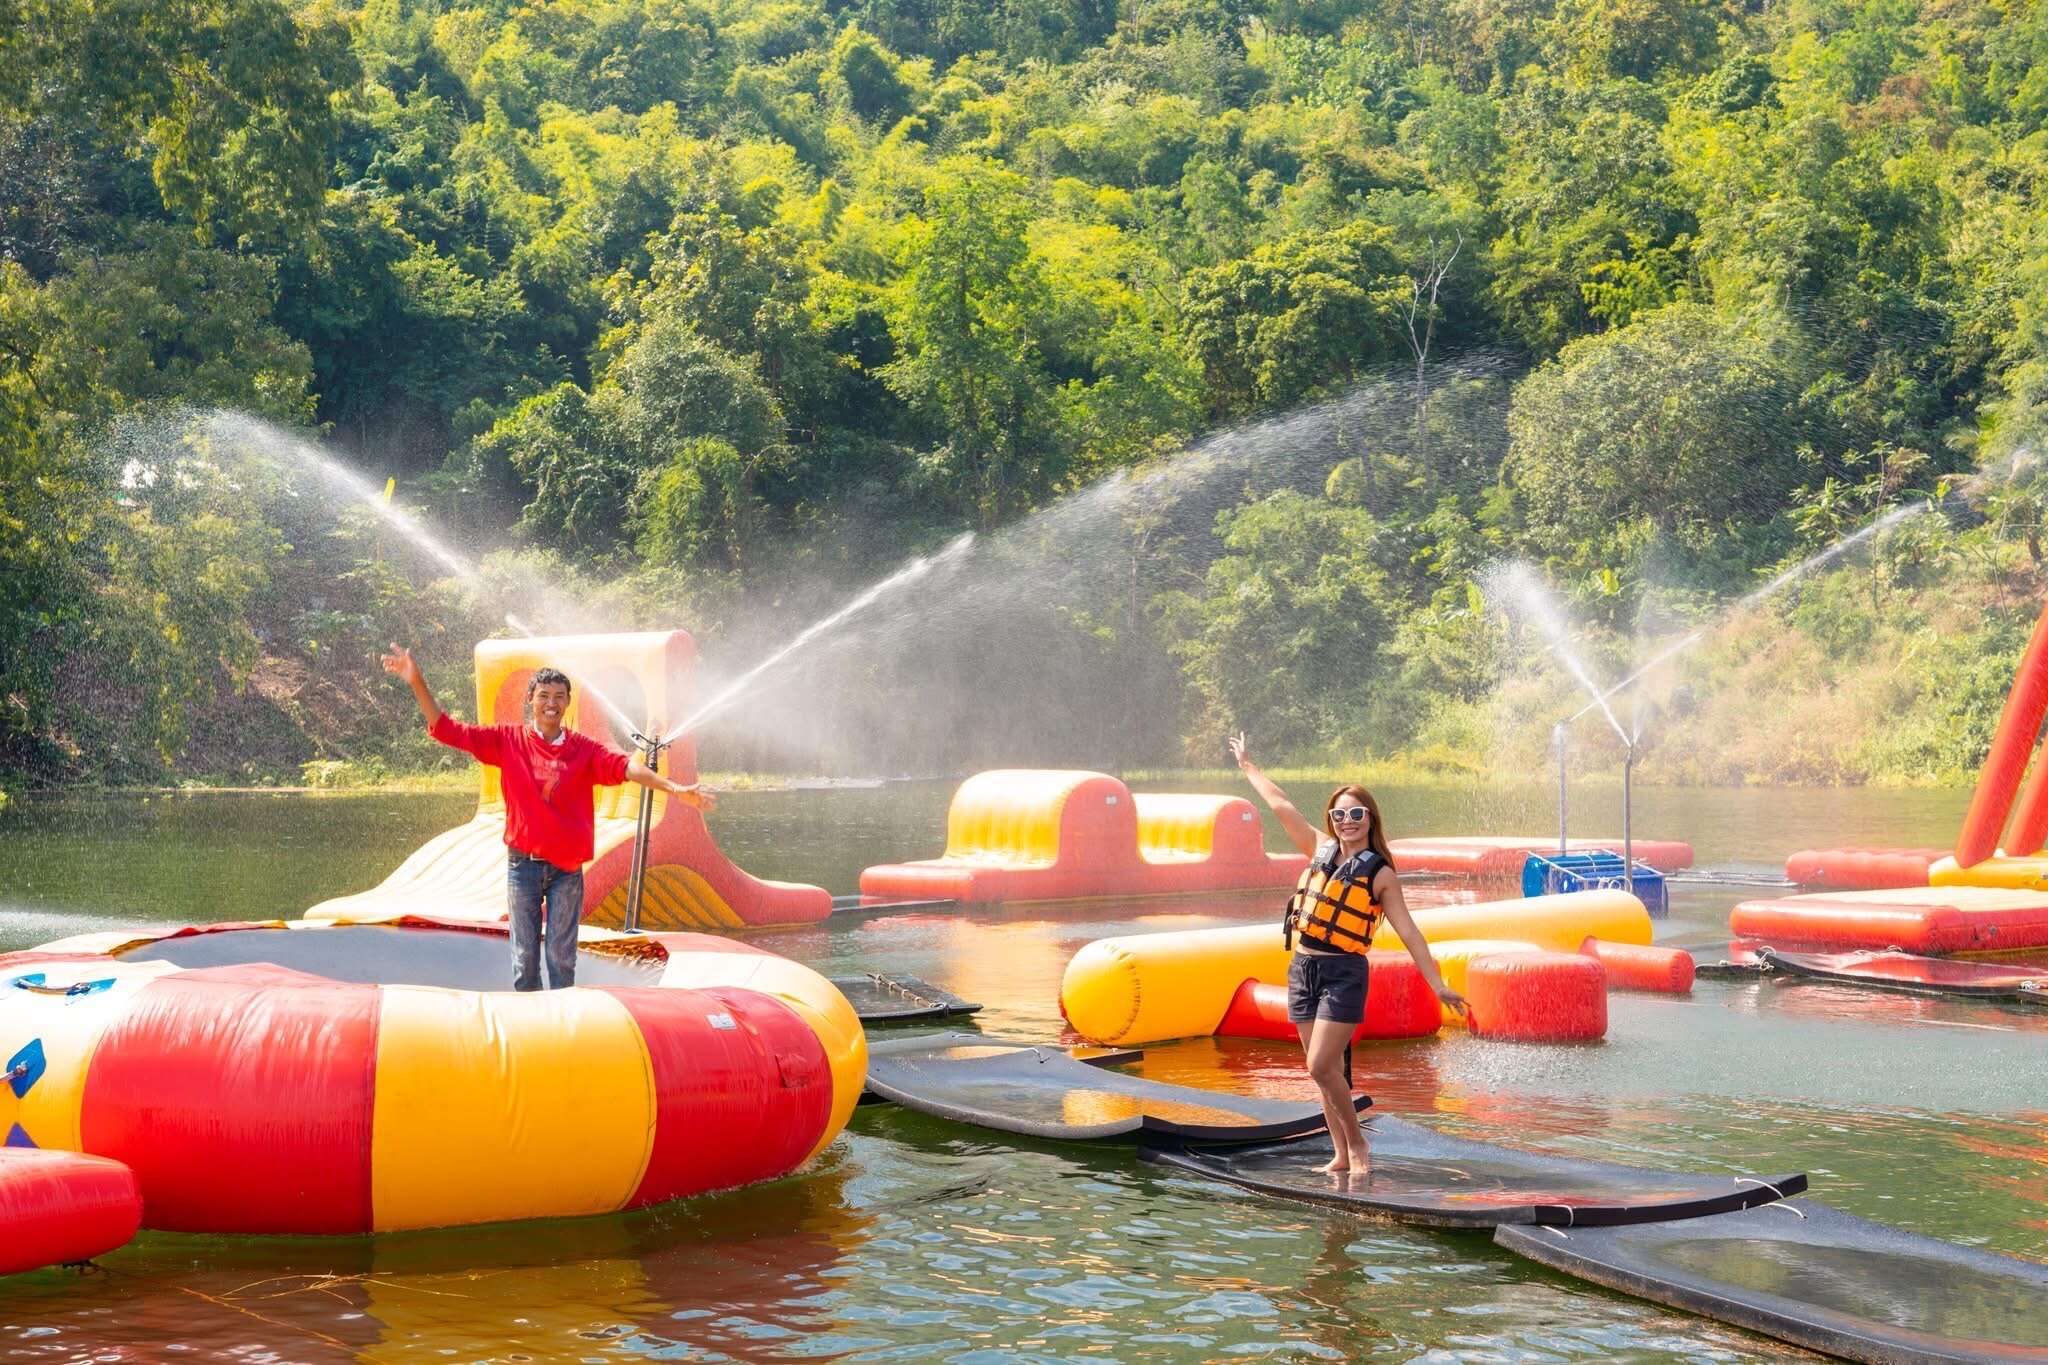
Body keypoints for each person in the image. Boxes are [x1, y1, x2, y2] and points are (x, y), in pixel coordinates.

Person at [381, 643, 714, 991]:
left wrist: (674, 788)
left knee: (560, 957)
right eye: (543, 695)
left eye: (558, 696)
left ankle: (562, 1026)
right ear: (530, 699)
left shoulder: (584, 750)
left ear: (567, 703)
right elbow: (447, 729)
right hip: (522, 868)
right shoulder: (507, 741)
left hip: (566, 872)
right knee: (524, 959)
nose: (551, 703)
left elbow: (628, 768)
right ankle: (531, 1028)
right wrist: (416, 681)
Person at [1230, 732, 1466, 1174]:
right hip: (1303, 968)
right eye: (1339, 814)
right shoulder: (1320, 849)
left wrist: (1437, 985)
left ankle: (1358, 1144)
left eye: (1355, 813)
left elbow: (1410, 932)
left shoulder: (1380, 874)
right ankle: (1339, 1153)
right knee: (1323, 1071)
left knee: (1320, 1065)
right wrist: (1248, 766)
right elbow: (1281, 805)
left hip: (1344, 974)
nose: (1346, 821)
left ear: (1370, 818)